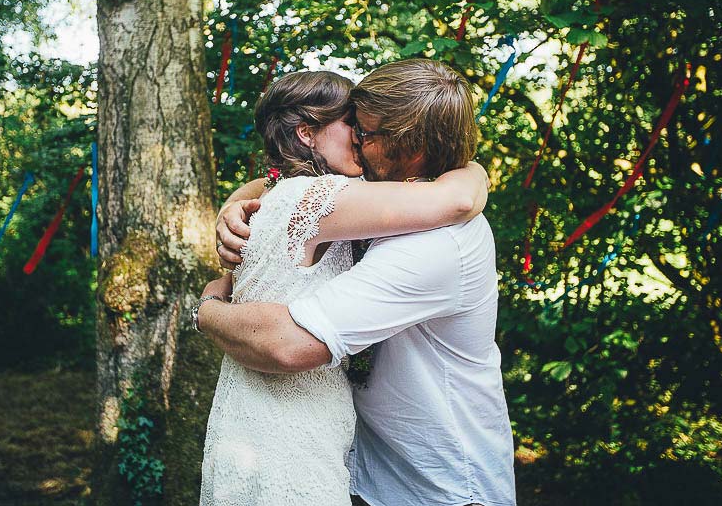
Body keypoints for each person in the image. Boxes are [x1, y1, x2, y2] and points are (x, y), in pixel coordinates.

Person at [200, 59, 516, 506]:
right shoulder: (392, 197)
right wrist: (235, 205)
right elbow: (289, 187)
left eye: (364, 132)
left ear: (410, 150)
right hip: (366, 469)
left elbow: (291, 344)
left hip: (441, 487)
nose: (356, 141)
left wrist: (205, 307)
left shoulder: (438, 242)